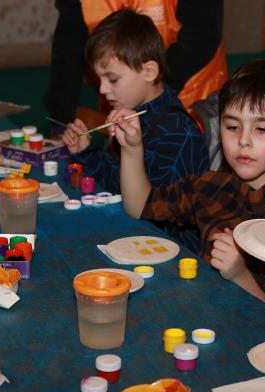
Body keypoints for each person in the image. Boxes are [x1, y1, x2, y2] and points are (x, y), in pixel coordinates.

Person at [110, 59, 265, 308]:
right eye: (233, 126)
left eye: (261, 129)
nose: (243, 140)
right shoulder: (210, 187)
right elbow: (140, 206)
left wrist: (240, 275)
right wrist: (132, 149)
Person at [61, 8, 209, 251]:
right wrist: (86, 153)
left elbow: (151, 213)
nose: (102, 90)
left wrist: (128, 153)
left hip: (171, 254)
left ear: (149, 72)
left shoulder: (177, 133)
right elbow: (119, 181)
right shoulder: (135, 114)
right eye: (99, 79)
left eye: (112, 79)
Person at [45, 0, 226, 126]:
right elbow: (69, 44)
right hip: (125, 98)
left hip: (191, 97)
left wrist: (151, 95)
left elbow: (201, 36)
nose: (102, 89)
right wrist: (61, 116)